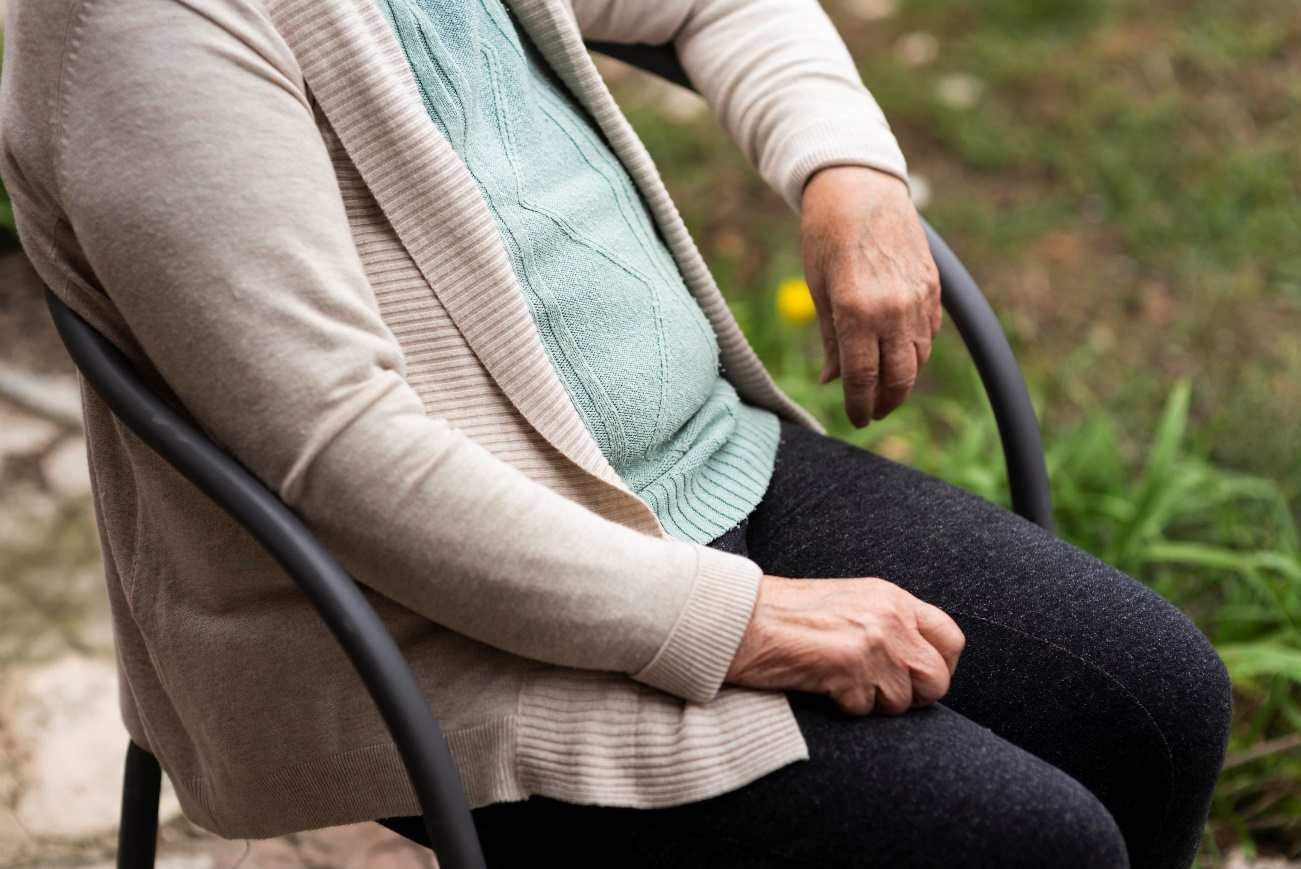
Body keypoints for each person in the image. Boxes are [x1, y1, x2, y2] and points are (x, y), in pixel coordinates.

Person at [0, 0, 1230, 866]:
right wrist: (737, 621)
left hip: (703, 465)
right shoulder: (135, 27)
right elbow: (341, 458)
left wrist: (845, 170)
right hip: (439, 628)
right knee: (1022, 843)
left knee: (1155, 700)